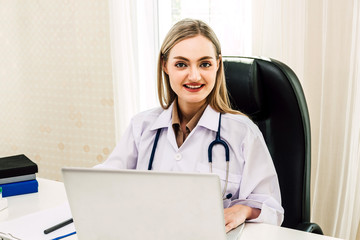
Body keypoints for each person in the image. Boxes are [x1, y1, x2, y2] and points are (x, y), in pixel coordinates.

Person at [95, 18, 284, 232]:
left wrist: (245, 210)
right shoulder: (142, 127)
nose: (194, 76)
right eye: (181, 64)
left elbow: (273, 210)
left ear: (217, 65)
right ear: (165, 65)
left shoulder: (243, 133)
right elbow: (104, 183)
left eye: (204, 64)